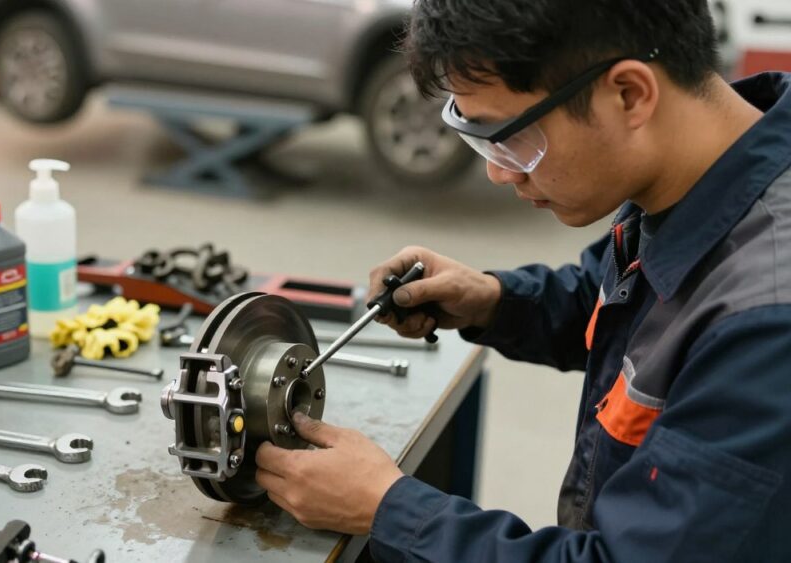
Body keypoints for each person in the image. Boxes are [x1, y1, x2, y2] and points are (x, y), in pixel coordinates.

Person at [254, 0, 791, 561]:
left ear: (629, 94)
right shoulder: (699, 171)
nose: (498, 171)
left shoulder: (767, 328)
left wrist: (385, 506)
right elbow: (637, 303)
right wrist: (495, 300)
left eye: (510, 138)